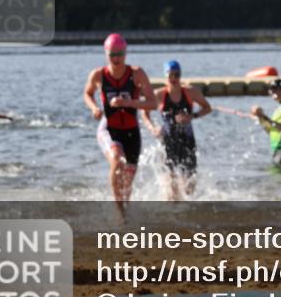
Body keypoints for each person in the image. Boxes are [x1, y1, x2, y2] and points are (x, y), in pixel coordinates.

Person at [83, 33, 156, 221]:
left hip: (132, 131)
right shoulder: (98, 75)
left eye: (120, 54)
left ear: (126, 53)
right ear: (106, 54)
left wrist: (129, 103)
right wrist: (94, 108)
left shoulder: (137, 73)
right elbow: (87, 93)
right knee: (116, 159)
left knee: (128, 178)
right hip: (109, 128)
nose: (116, 59)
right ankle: (119, 212)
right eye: (112, 55)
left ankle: (125, 208)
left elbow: (153, 103)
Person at [141, 60, 212, 200]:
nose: (173, 78)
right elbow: (144, 112)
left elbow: (207, 108)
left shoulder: (191, 92)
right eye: (170, 75)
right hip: (168, 142)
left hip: (187, 141)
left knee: (190, 185)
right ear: (165, 76)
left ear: (180, 75)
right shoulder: (160, 95)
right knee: (171, 186)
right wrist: (152, 128)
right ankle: (172, 213)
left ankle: (187, 212)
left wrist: (192, 116)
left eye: (176, 75)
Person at [251, 78, 281, 171]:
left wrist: (265, 117)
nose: (272, 91)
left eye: (275, 88)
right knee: (277, 178)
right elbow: (270, 131)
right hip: (277, 149)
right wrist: (261, 118)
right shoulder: (278, 109)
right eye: (270, 89)